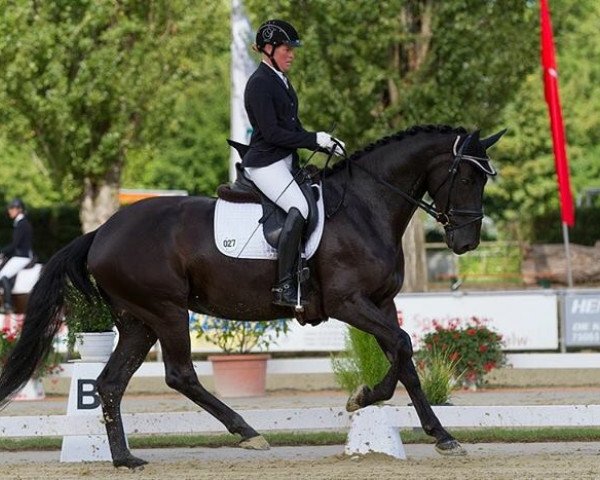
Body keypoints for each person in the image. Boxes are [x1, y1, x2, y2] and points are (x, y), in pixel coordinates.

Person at [242, 19, 345, 308]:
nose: (292, 54)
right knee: (298, 208)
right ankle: (284, 286)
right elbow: (273, 133)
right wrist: (314, 140)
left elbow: (294, 129)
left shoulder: (282, 81)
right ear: (269, 49)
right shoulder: (259, 84)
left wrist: (326, 144)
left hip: (285, 161)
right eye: (287, 49)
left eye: (292, 49)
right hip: (265, 163)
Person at [0, 198, 34, 313]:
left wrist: (2, 252)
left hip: (21, 256)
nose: (9, 211)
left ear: (19, 210)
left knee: (3, 275)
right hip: (20, 255)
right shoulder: (21, 222)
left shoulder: (22, 223)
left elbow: (15, 244)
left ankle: (8, 304)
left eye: (12, 209)